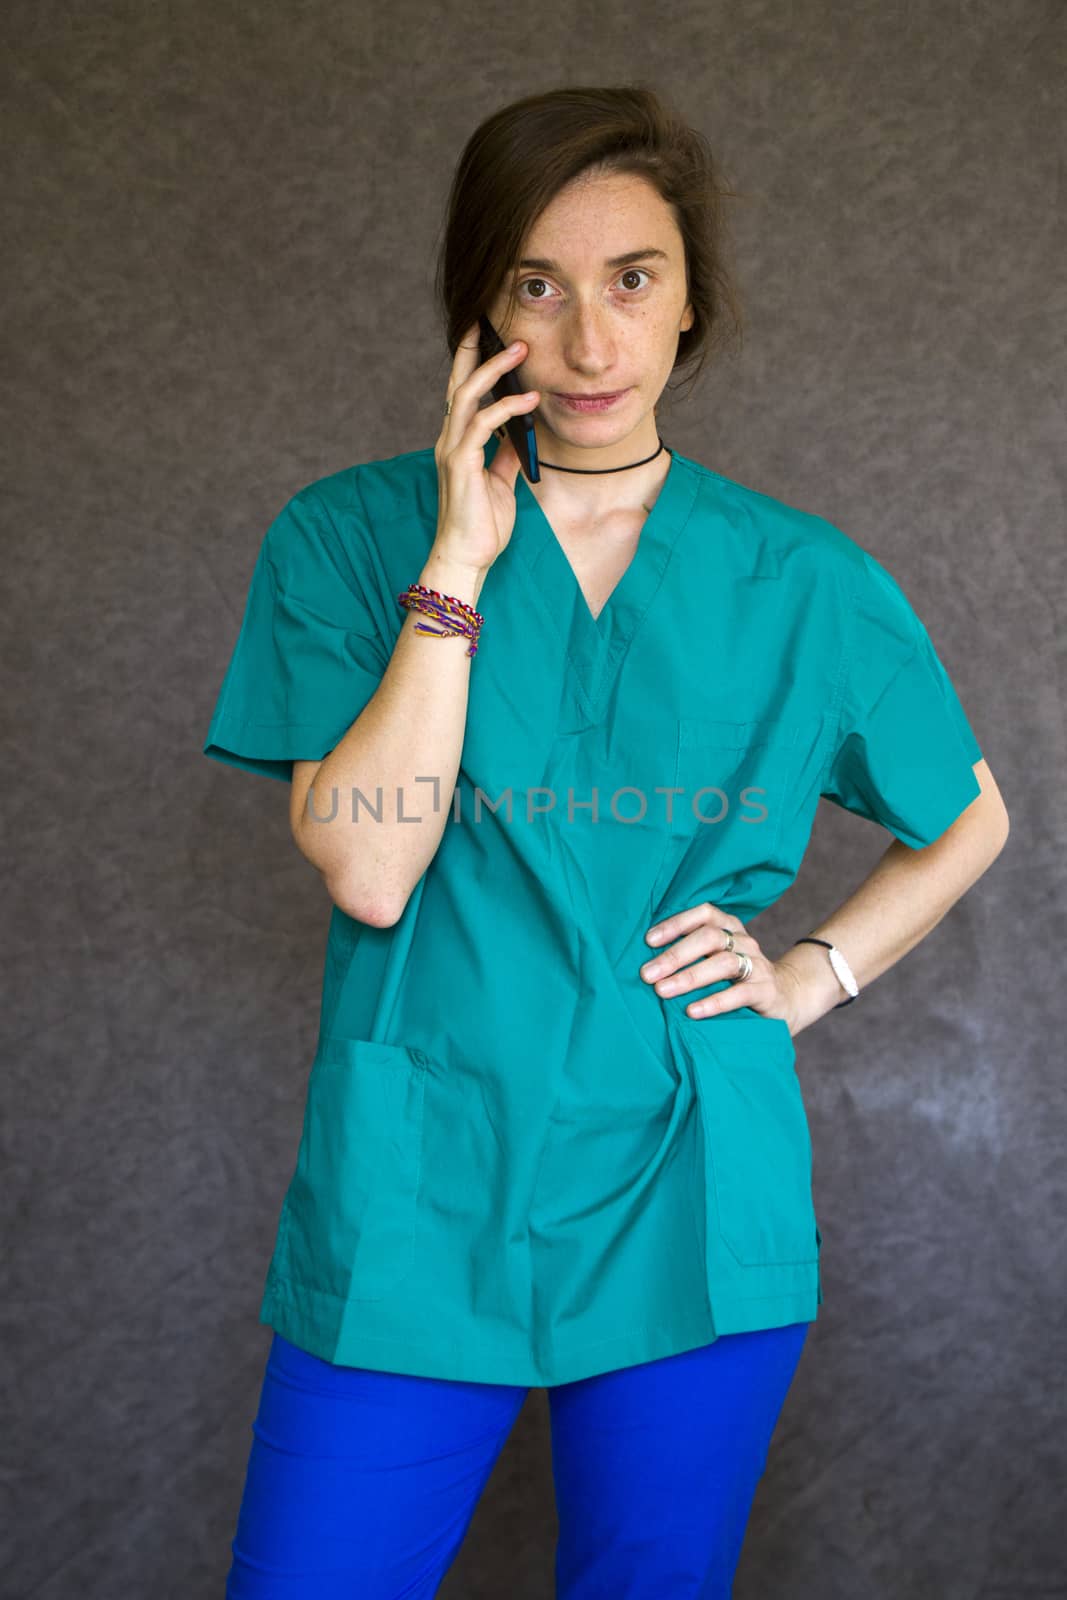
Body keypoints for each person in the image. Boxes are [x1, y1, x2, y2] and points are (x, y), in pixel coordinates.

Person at [204, 84, 1009, 1600]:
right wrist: (455, 562)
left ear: (691, 301)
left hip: (689, 1177)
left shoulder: (802, 577)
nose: (588, 342)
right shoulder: (345, 538)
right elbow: (373, 864)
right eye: (537, 285)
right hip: (415, 1184)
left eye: (633, 281)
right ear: (479, 305)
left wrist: (811, 973)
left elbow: (972, 812)